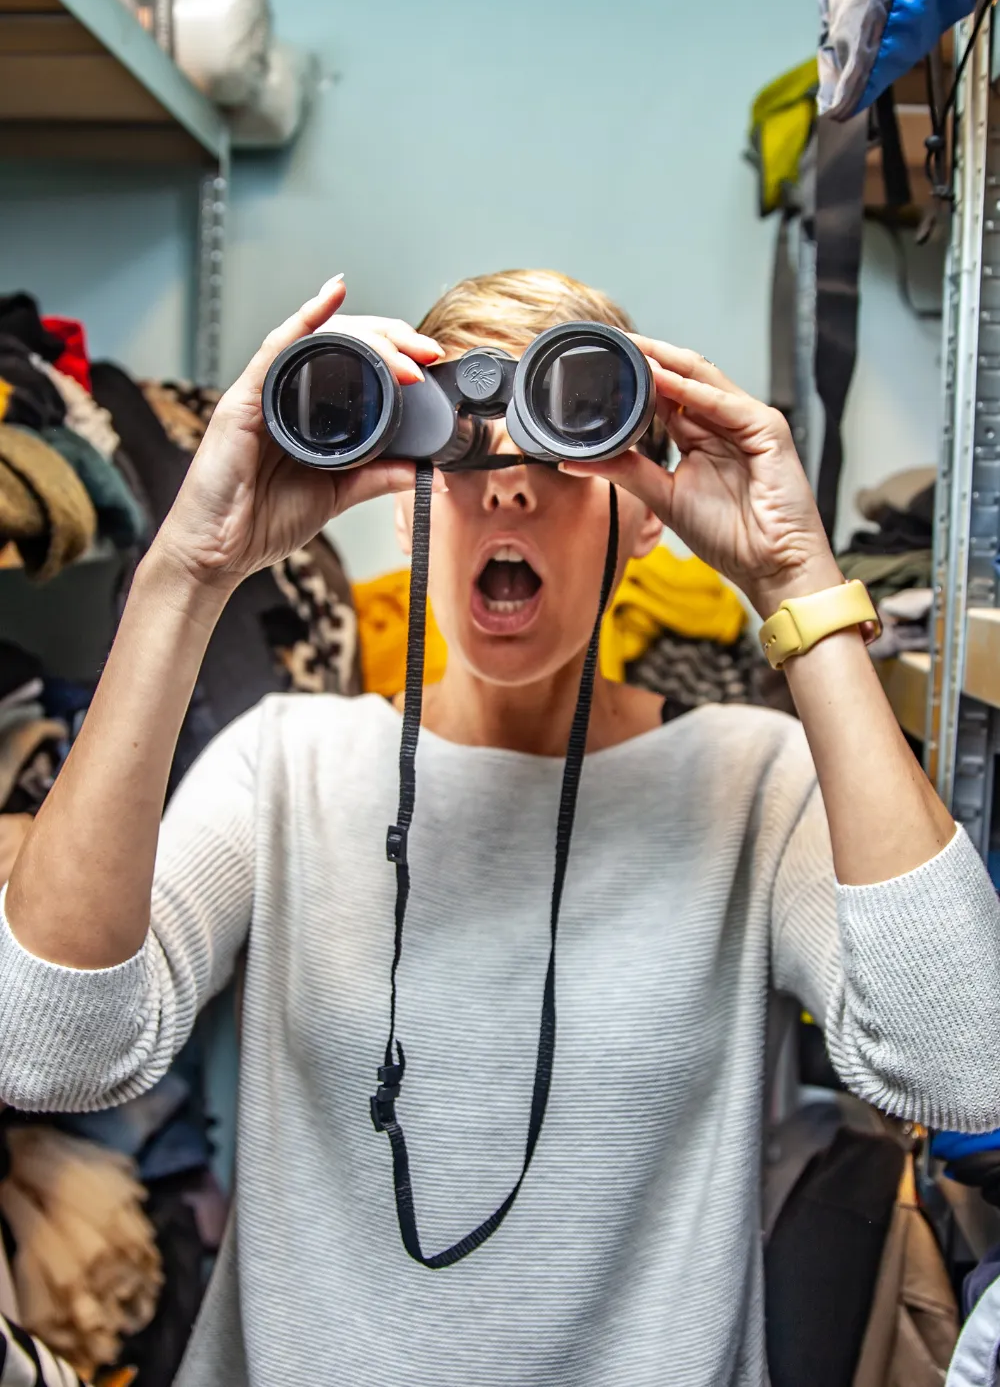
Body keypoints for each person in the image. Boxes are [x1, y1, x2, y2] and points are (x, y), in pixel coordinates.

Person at [1, 267, 999, 1387]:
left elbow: (966, 1068)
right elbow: (44, 1047)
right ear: (406, 496)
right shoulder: (281, 770)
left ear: (644, 520)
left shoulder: (751, 783)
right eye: (462, 451)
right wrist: (187, 571)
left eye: (567, 451)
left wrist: (795, 583)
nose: (509, 491)